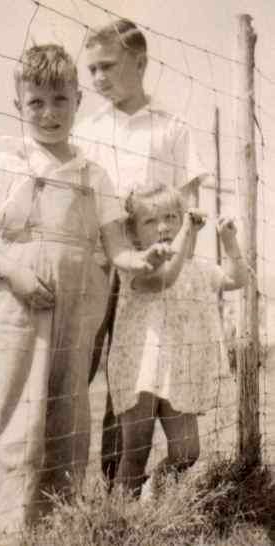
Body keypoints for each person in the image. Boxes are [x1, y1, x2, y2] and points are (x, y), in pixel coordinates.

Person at [0, 44, 173, 546]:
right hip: (23, 303)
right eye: (36, 102)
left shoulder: (93, 174)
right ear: (19, 105)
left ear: (79, 100)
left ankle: (58, 523)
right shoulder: (5, 165)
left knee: (68, 407)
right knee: (16, 405)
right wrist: (13, 273)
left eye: (60, 99)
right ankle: (5, 528)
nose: (49, 113)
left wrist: (137, 261)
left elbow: (116, 246)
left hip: (80, 304)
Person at [73, 18, 208, 488]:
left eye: (107, 66)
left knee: (136, 376)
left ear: (140, 62)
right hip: (98, 267)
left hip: (153, 277)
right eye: (90, 70)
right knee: (80, 370)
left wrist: (176, 266)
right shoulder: (87, 132)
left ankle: (123, 487)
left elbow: (189, 207)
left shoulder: (171, 128)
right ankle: (63, 481)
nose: (98, 79)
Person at [107, 185, 247, 497]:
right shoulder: (137, 267)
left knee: (187, 451)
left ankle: (151, 491)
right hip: (139, 370)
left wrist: (229, 241)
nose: (164, 227)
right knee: (136, 450)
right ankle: (120, 516)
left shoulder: (198, 269)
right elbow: (163, 278)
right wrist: (187, 232)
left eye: (172, 217)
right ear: (132, 234)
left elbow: (237, 279)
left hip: (181, 372)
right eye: (150, 221)